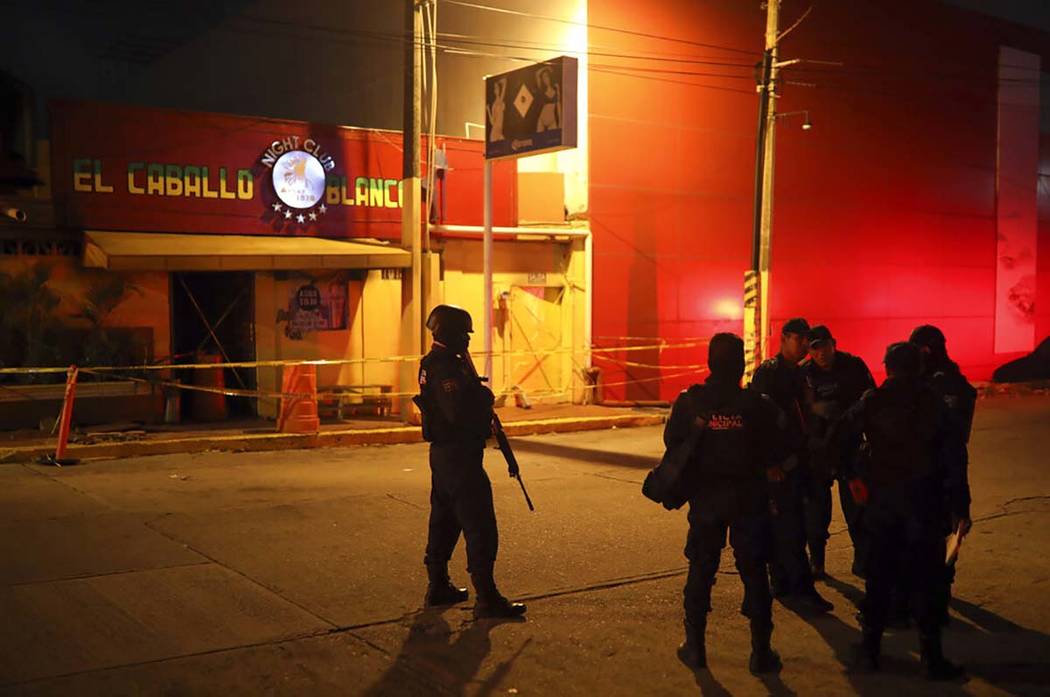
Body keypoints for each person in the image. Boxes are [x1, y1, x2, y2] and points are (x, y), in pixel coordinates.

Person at [837, 342, 966, 680]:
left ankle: (869, 651)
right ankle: (932, 659)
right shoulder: (935, 404)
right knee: (928, 581)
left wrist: (852, 477)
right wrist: (960, 506)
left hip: (883, 504)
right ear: (919, 368)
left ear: (888, 367)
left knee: (879, 579)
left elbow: (838, 438)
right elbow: (954, 458)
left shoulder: (873, 400)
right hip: (924, 504)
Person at [666, 332, 784, 674]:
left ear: (709, 362)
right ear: (741, 364)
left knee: (701, 568)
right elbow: (779, 447)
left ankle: (696, 648)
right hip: (749, 497)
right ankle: (761, 653)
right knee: (755, 573)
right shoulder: (758, 404)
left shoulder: (690, 401)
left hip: (706, 498)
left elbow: (673, 443)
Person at [415, 304, 526, 619]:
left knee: (445, 519)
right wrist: (483, 398)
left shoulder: (436, 363)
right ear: (449, 333)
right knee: (480, 525)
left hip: (444, 456)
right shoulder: (448, 367)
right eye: (463, 333)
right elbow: (457, 413)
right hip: (459, 455)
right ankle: (487, 597)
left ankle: (438, 586)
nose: (467, 339)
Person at [750, 318, 834, 614]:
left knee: (793, 524)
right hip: (779, 465)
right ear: (784, 339)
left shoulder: (798, 374)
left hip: (798, 462)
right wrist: (769, 463)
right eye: (799, 340)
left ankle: (784, 584)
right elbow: (758, 423)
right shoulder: (769, 374)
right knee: (790, 528)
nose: (803, 347)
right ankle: (798, 588)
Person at [910, 325, 975, 625]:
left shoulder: (938, 383)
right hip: (941, 469)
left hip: (935, 471)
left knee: (942, 531)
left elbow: (955, 435)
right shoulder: (947, 380)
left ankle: (935, 596)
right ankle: (934, 592)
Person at [801, 325, 876, 578]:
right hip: (819, 451)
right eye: (815, 348)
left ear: (834, 343)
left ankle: (863, 560)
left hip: (851, 447)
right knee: (816, 511)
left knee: (857, 507)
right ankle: (817, 562)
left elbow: (871, 398)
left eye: (825, 346)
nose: (821, 352)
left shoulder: (853, 366)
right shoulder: (804, 373)